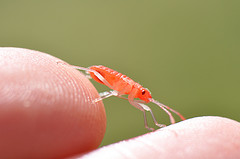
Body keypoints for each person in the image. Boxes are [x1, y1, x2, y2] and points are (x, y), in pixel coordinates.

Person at [0, 47, 239, 159]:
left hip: (112, 83)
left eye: (145, 95)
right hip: (101, 73)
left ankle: (152, 125)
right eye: (144, 94)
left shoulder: (137, 95)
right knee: (91, 80)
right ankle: (73, 70)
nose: (146, 98)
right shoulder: (129, 88)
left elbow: (143, 104)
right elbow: (112, 85)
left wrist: (159, 116)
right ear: (140, 90)